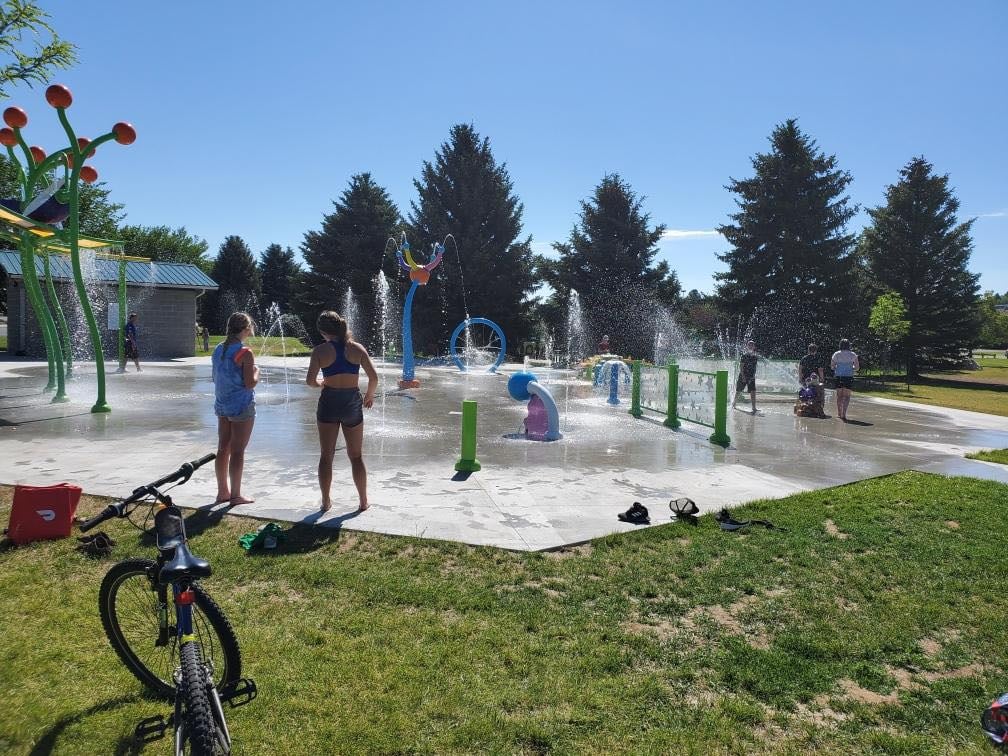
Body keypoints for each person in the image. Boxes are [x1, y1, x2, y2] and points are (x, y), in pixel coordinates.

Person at [306, 310, 378, 513]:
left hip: (329, 402)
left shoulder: (320, 351)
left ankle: (326, 501)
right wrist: (369, 396)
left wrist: (321, 383)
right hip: (351, 403)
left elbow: (310, 381)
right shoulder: (357, 349)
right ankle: (363, 501)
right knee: (356, 456)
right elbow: (374, 378)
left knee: (326, 456)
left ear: (322, 331)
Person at [211, 312, 258, 505]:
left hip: (222, 404)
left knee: (223, 448)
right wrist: (257, 372)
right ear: (246, 329)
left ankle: (223, 491)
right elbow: (249, 383)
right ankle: (236, 495)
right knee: (238, 451)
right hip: (241, 406)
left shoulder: (218, 349)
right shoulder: (245, 353)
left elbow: (215, 378)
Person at [830, 337, 860, 421]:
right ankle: (844, 413)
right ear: (849, 345)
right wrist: (851, 367)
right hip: (849, 377)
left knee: (839, 396)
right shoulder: (853, 354)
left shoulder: (836, 354)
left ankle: (839, 413)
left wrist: (838, 367)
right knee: (846, 396)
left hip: (839, 376)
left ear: (840, 345)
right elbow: (857, 368)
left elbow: (832, 367)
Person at [732, 340, 759, 414]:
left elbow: (754, 367)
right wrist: (743, 376)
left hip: (751, 377)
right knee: (739, 390)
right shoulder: (744, 355)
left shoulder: (755, 356)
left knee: (753, 391)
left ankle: (754, 407)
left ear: (754, 347)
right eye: (749, 345)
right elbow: (741, 366)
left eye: (752, 345)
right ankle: (734, 403)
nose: (750, 346)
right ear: (747, 346)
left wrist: (754, 375)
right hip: (743, 375)